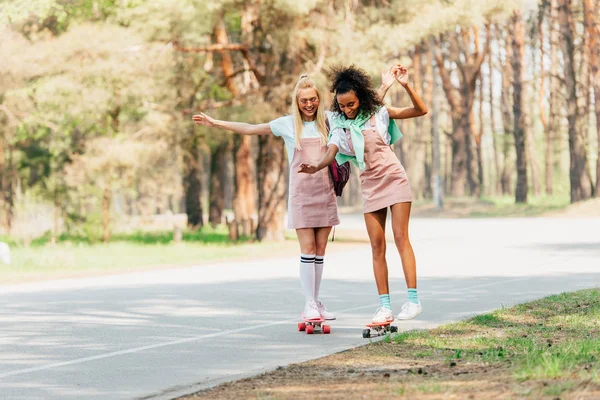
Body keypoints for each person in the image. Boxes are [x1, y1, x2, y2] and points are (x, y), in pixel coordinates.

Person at [192, 75, 339, 321]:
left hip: (324, 192)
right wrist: (216, 123)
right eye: (304, 100)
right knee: (308, 248)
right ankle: (309, 303)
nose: (309, 104)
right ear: (297, 101)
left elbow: (358, 111)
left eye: (313, 99)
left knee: (321, 250)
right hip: (302, 194)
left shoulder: (330, 120)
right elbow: (250, 129)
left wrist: (386, 87)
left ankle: (317, 301)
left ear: (319, 99)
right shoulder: (288, 124)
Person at [298, 64, 428, 324]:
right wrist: (317, 166)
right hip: (370, 184)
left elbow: (420, 110)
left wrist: (403, 85)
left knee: (401, 237)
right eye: (342, 105)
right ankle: (385, 307)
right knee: (377, 246)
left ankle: (413, 301)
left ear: (360, 97)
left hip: (394, 178)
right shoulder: (338, 123)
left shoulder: (379, 113)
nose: (347, 109)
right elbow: (332, 151)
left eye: (351, 104)